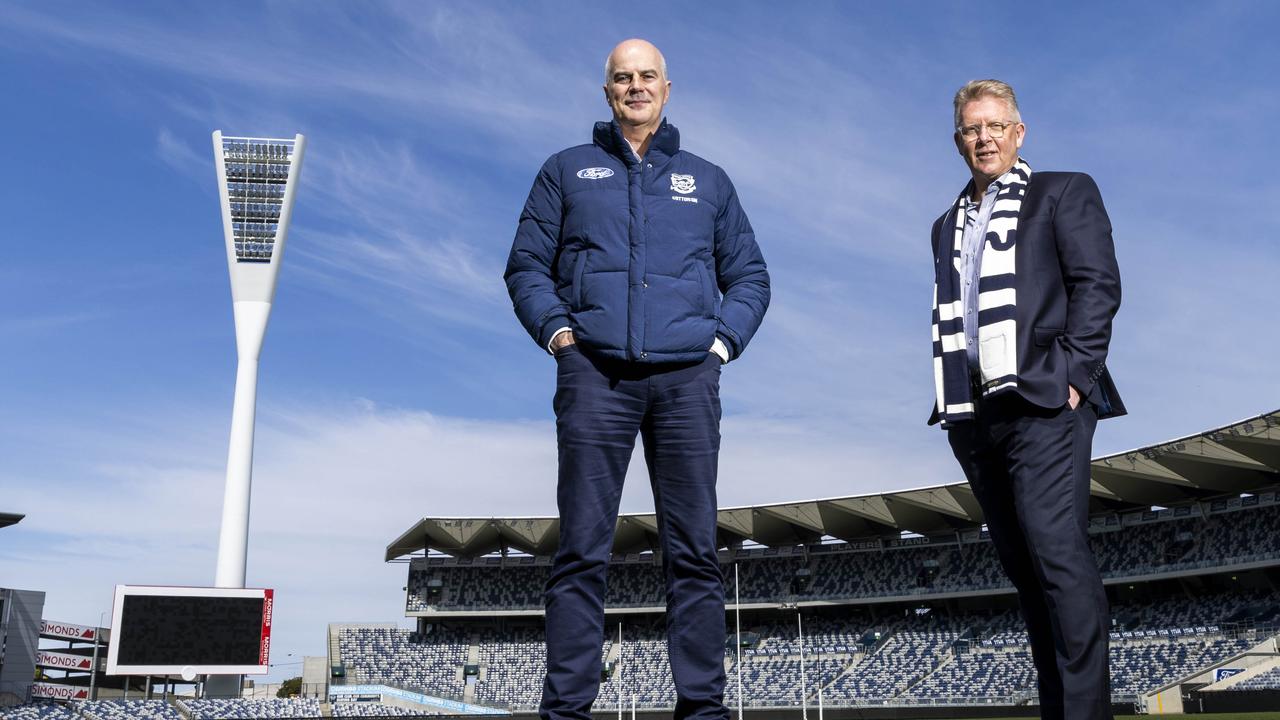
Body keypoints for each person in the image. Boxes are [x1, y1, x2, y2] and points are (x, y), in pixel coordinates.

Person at [504, 39, 769, 720]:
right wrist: (562, 339)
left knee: (694, 553)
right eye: (622, 78)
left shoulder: (709, 181)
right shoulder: (566, 171)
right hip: (594, 376)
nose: (635, 86)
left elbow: (751, 277)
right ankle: (566, 709)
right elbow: (526, 267)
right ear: (606, 93)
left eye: (646, 76)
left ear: (668, 88)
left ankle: (703, 708)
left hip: (686, 381)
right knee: (582, 550)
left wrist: (719, 347)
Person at [928, 79, 1125, 719]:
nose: (982, 138)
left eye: (993, 126)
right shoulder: (945, 224)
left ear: (1019, 132)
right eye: (970, 129)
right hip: (974, 413)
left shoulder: (1063, 191)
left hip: (1046, 400)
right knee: (1026, 569)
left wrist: (1072, 376)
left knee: (1055, 553)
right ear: (958, 139)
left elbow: (1096, 285)